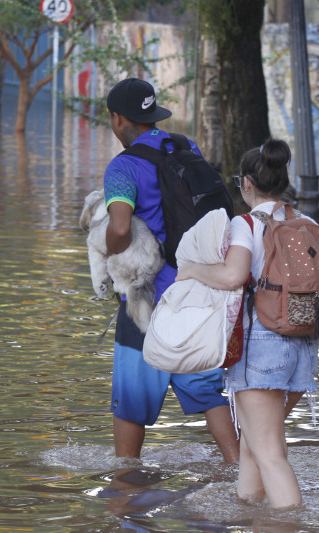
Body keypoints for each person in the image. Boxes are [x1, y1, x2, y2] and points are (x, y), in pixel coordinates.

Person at [176, 138, 319, 508]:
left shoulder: (246, 224)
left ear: (247, 184)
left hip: (262, 349)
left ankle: (288, 522)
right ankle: (248, 514)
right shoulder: (307, 222)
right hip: (303, 346)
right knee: (253, 445)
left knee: (270, 454)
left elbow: (234, 276)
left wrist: (190, 270)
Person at [103, 77, 239, 463]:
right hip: (195, 292)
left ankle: (127, 484)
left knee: (131, 401)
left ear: (117, 119)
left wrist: (110, 255)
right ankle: (241, 468)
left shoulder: (123, 167)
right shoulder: (185, 146)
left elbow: (119, 228)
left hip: (146, 300)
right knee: (207, 390)